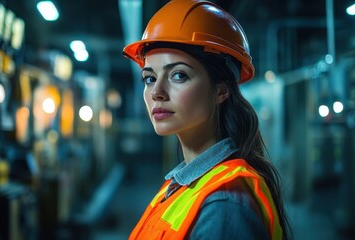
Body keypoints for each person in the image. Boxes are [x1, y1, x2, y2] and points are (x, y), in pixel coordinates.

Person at [122, 0, 291, 239]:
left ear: (221, 90)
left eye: (178, 75)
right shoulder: (184, 184)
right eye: (149, 78)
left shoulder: (223, 203)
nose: (156, 91)